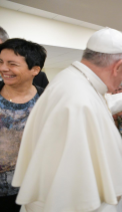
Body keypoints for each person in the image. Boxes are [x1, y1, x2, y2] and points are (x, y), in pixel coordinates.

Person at [11, 28, 122, 212]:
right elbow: (76, 193)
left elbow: (100, 107)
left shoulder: (73, 80)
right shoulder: (78, 99)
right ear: (118, 66)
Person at [0, 38, 46, 212]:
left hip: (31, 190)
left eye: (12, 64)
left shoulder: (46, 101)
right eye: (1, 62)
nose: (4, 68)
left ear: (35, 69)